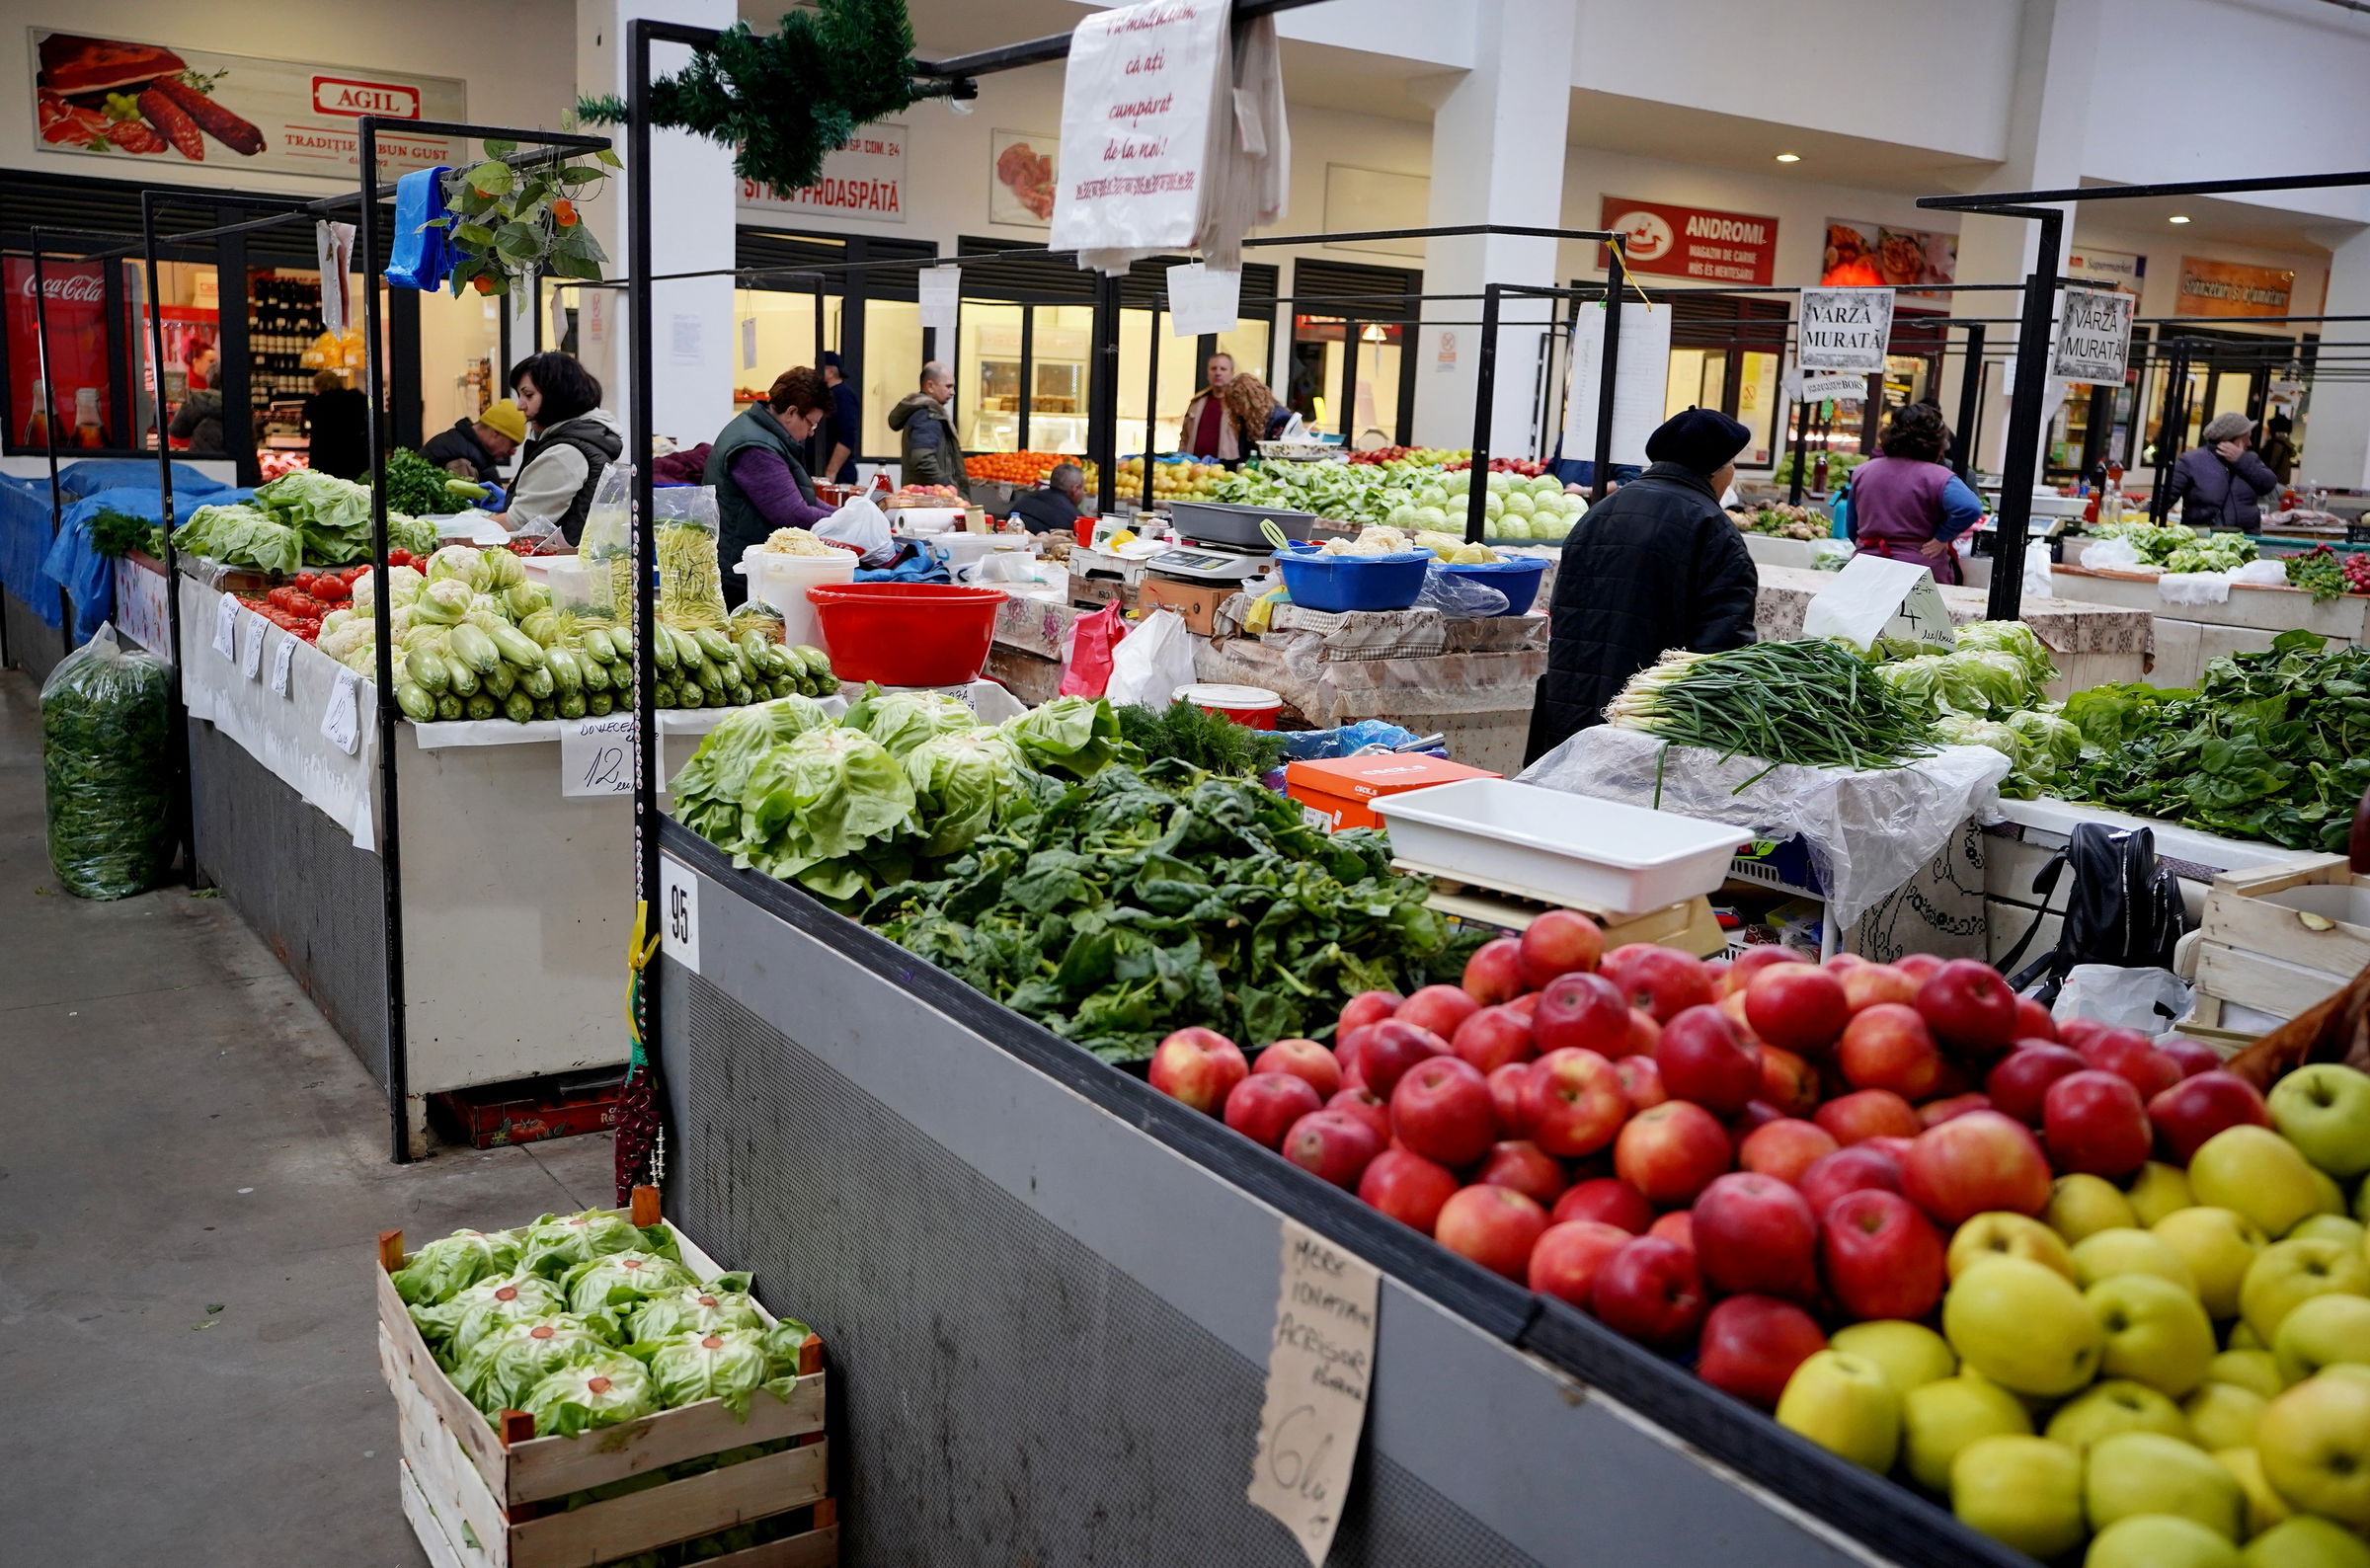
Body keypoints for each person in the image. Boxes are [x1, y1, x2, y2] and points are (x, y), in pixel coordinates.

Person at [1526, 407, 1760, 763]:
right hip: (1648, 735)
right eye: (1732, 464)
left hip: (1569, 727)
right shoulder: (1713, 530)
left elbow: (1565, 616)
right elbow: (1723, 655)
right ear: (1716, 470)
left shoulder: (1598, 514)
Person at [706, 367, 839, 604]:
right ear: (791, 412)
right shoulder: (755, 448)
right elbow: (793, 513)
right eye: (812, 424)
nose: (810, 433)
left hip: (754, 568)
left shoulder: (766, 436)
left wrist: (846, 517)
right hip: (740, 575)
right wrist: (844, 526)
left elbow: (803, 500)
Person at [1844, 402, 1985, 586]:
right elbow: (1971, 507)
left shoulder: (1862, 471)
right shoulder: (1939, 477)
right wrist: (1942, 537)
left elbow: (1852, 527)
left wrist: (1868, 546)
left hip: (1866, 569)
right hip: (1918, 572)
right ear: (1938, 445)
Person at [503, 352, 623, 544]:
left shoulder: (564, 453)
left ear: (556, 396)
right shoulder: (584, 437)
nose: (520, 406)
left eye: (528, 395)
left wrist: (470, 529)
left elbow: (520, 524)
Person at [2167, 411, 2278, 532]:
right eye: (2246, 438)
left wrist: (2241, 460)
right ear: (2233, 439)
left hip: (2244, 539)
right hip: (2203, 540)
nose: (2249, 443)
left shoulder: (2249, 460)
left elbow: (2268, 484)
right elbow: (2166, 496)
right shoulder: (2191, 461)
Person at [888, 361, 972, 500]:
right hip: (932, 500)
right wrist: (948, 486)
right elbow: (923, 460)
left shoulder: (922, 413)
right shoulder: (928, 416)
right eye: (948, 386)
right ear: (930, 386)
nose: (953, 392)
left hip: (925, 498)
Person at [421, 398, 525, 482]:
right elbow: (467, 507)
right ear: (496, 433)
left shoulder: (461, 448)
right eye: (512, 443)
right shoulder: (462, 464)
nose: (512, 452)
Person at [299, 369, 371, 481]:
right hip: (352, 455)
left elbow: (306, 419)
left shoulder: (314, 404)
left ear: (317, 386)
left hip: (323, 457)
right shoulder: (355, 398)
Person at [1177, 352, 1239, 459]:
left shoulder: (1239, 404)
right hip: (1194, 467)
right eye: (1213, 368)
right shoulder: (1196, 402)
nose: (1218, 373)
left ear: (1232, 373)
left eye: (1223, 369)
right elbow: (1184, 437)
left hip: (1226, 470)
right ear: (1207, 373)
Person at [170, 342, 223, 453]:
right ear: (196, 361)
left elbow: (176, 429)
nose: (214, 365)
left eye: (216, 362)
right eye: (211, 361)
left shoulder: (196, 395)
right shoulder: (186, 388)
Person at [1220, 374, 1292, 456]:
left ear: (1253, 401)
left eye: (1240, 404)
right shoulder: (1245, 420)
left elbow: (1275, 459)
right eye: (1233, 406)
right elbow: (1246, 459)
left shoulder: (1280, 420)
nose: (1237, 410)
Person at [1013, 461, 1090, 535]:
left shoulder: (1027, 499)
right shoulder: (1075, 519)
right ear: (1075, 489)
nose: (1084, 493)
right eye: (1084, 489)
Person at [820, 352, 860, 484]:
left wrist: (831, 471)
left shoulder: (842, 396)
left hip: (838, 475)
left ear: (830, 371)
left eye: (818, 367)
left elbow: (847, 435)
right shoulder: (829, 394)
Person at [2258, 412, 2299, 487]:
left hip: (2272, 486)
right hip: (2280, 485)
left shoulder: (2276, 446)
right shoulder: (2286, 446)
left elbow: (2269, 467)